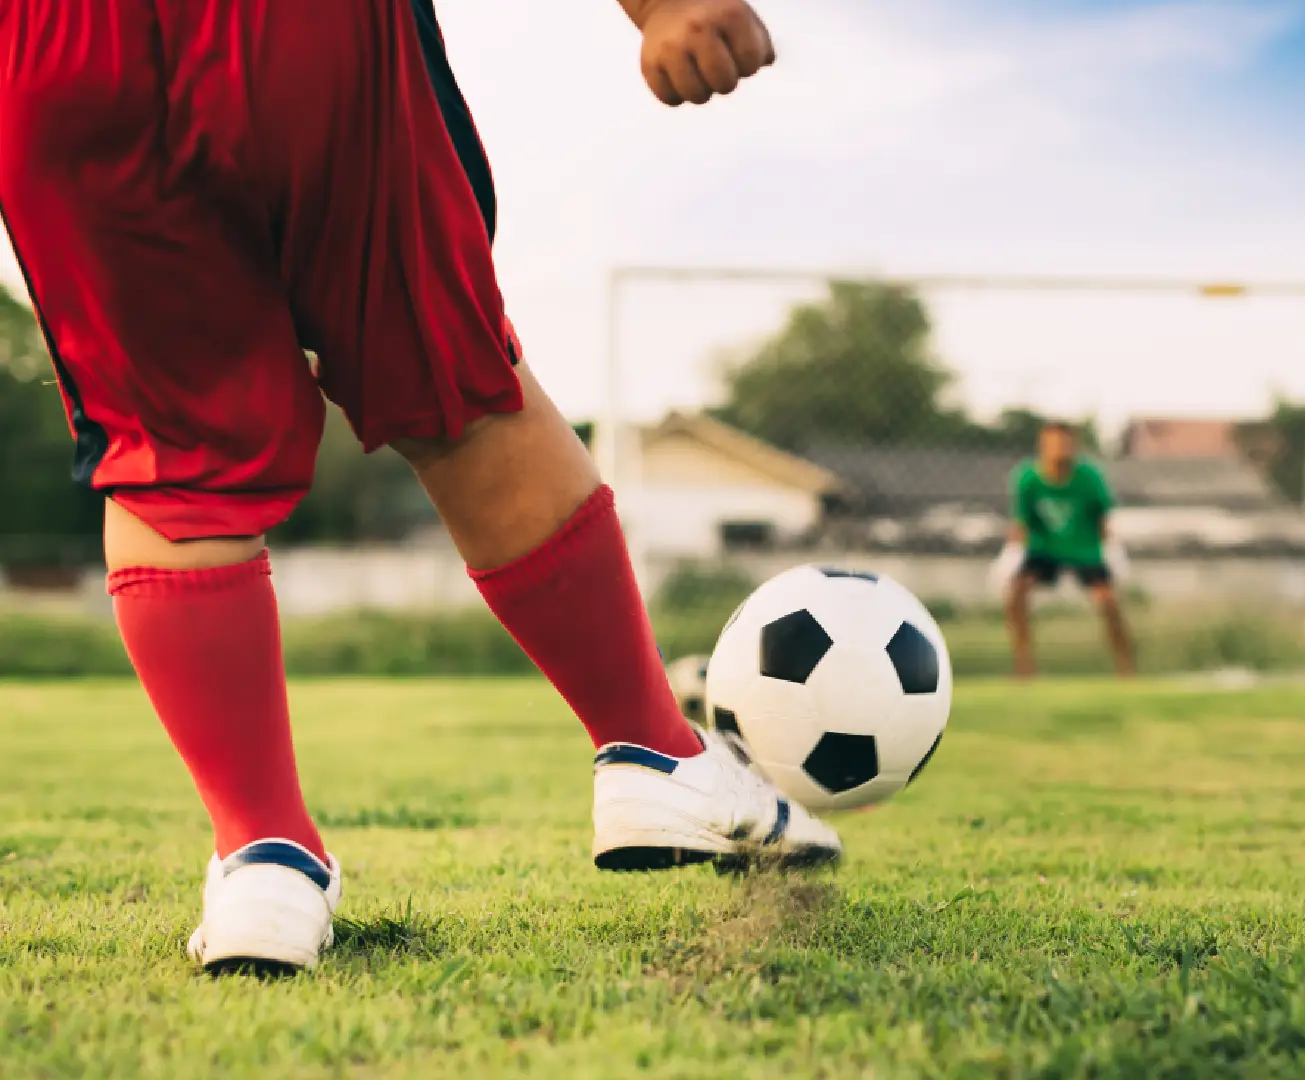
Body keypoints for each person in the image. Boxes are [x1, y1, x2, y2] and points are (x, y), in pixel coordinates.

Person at [0, 0, 839, 975]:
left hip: (56, 42)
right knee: (453, 382)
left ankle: (265, 857)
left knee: (168, 449)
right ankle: (655, 755)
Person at [1003, 423, 1137, 679]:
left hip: (1085, 550)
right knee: (1015, 593)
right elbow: (1020, 523)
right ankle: (1024, 665)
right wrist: (1013, 554)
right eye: (1052, 444)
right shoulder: (1027, 478)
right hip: (1044, 550)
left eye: (1064, 444)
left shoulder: (1090, 477)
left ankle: (1125, 665)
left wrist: (1111, 553)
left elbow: (1103, 521)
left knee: (1108, 601)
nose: (1058, 450)